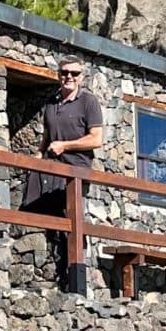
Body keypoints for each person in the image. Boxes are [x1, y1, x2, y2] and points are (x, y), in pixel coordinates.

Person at [17, 59, 104, 281]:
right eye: (65, 72)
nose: (69, 77)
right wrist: (37, 157)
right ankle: (44, 270)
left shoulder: (88, 102)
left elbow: (96, 139)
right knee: (43, 214)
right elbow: (47, 139)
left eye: (74, 73)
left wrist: (65, 145)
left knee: (71, 219)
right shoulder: (51, 103)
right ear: (59, 75)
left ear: (81, 77)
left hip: (76, 171)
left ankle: (75, 273)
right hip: (52, 168)